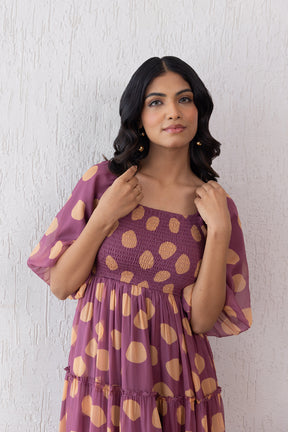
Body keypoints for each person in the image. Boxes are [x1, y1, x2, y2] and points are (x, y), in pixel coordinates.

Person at [27, 56, 252, 432]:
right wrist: (103, 216)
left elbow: (202, 319)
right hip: (102, 376)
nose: (172, 112)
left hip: (177, 382)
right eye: (156, 102)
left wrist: (219, 232)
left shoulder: (214, 205)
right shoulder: (105, 183)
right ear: (138, 117)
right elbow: (63, 285)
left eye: (184, 99)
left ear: (198, 109)